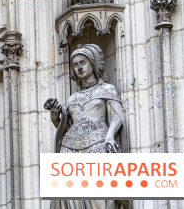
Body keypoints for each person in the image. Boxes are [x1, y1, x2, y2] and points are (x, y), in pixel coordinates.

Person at [45, 44, 126, 209]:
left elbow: (117, 116)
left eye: (83, 62)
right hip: (70, 149)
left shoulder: (106, 89)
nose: (79, 67)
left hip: (97, 145)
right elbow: (67, 128)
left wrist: (110, 136)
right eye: (75, 65)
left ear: (93, 62)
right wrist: (56, 119)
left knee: (100, 196)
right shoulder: (72, 99)